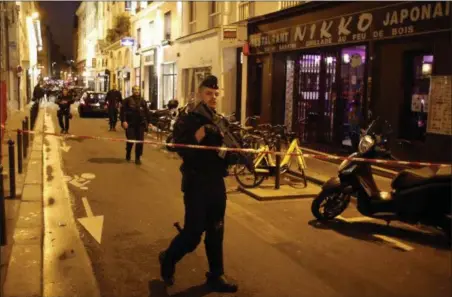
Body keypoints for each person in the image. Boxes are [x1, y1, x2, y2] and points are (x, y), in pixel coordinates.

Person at [159, 75, 238, 293]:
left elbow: (229, 153)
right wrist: (199, 135)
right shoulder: (189, 119)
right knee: (193, 234)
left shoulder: (220, 120)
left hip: (216, 183)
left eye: (215, 94)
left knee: (216, 230)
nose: (213, 97)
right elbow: (177, 146)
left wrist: (233, 154)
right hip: (196, 182)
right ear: (199, 94)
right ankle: (168, 258)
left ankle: (216, 275)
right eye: (208, 93)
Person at [119, 85, 150, 165]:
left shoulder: (143, 101)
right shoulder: (127, 100)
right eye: (135, 90)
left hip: (140, 124)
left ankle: (137, 157)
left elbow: (147, 113)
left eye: (138, 90)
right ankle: (128, 152)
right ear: (132, 91)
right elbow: (122, 112)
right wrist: (124, 121)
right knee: (131, 140)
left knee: (139, 141)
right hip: (130, 124)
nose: (137, 91)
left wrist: (148, 123)